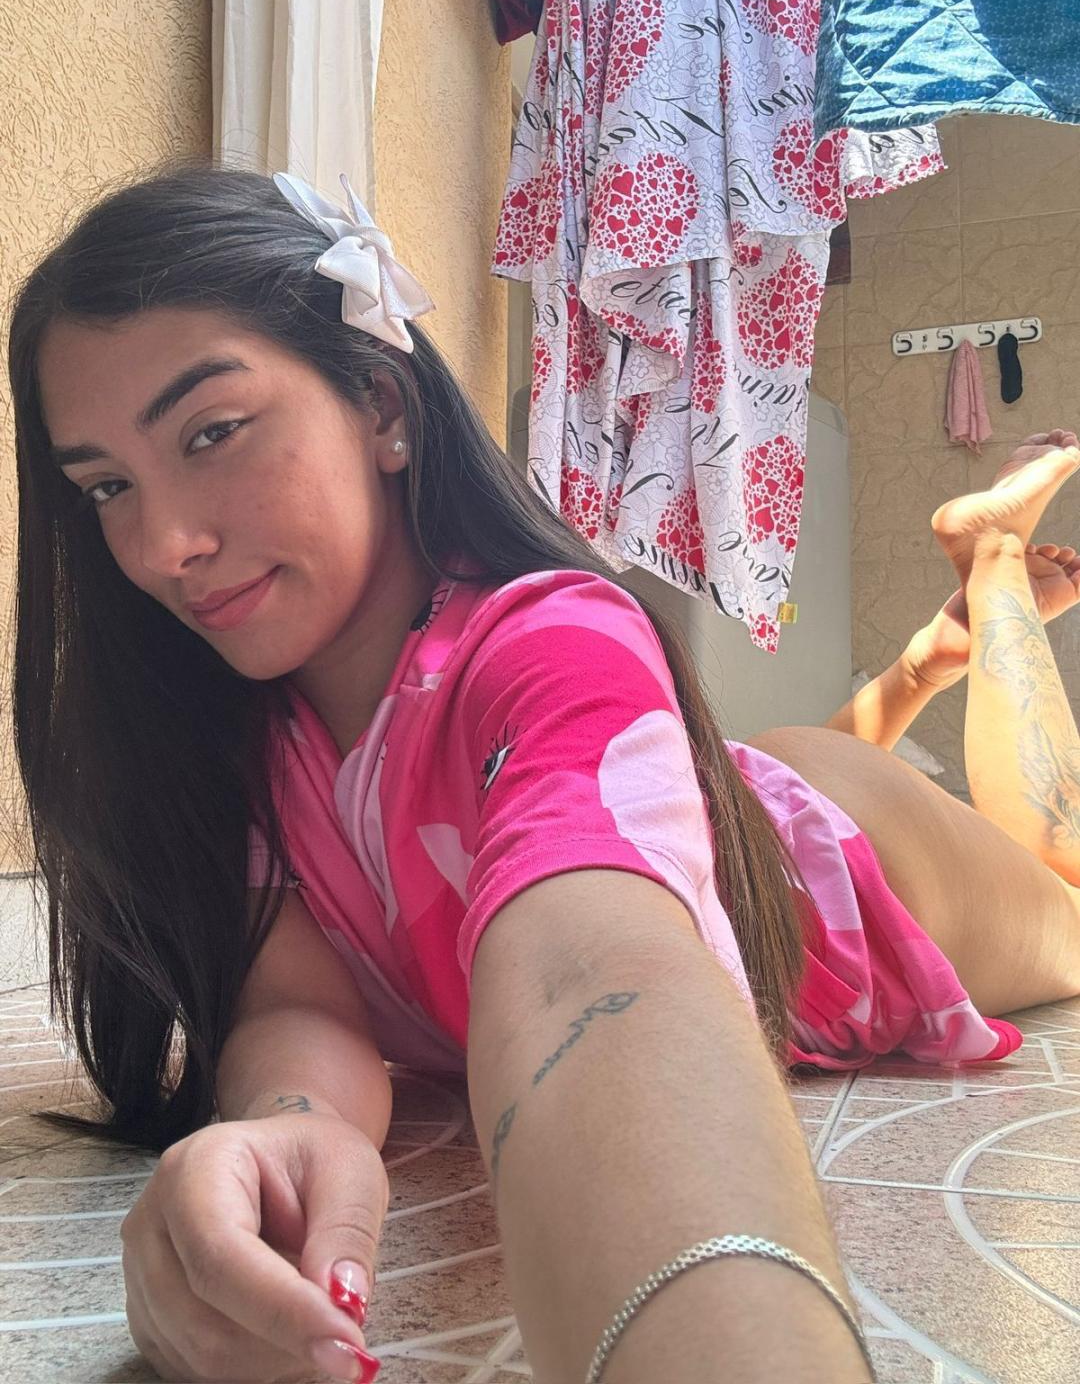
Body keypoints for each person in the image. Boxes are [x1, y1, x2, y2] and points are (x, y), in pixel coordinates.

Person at [7, 158, 1079, 1384]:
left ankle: (994, 575)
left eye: (212, 433)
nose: (163, 545)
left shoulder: (552, 635)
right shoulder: (241, 742)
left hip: (843, 851)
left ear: (381, 404)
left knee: (1066, 887)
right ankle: (933, 654)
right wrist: (294, 1128)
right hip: (710, 787)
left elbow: (586, 976)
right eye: (107, 486)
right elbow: (301, 1003)